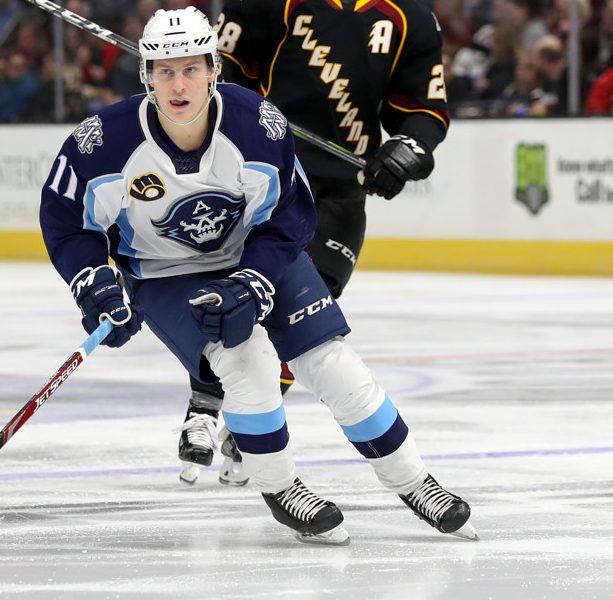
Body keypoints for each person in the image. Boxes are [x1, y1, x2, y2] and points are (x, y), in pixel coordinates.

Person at [40, 6, 476, 544]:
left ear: (213, 70)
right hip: (164, 273)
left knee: (332, 363)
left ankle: (414, 481)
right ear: (146, 75)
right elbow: (66, 220)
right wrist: (94, 281)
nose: (179, 85)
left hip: (253, 254)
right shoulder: (100, 142)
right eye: (165, 70)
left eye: (192, 69)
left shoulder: (258, 127)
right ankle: (281, 488)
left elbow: (289, 219)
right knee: (247, 361)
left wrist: (254, 279)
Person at [175, 0, 452, 485]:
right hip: (263, 176)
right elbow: (223, 72)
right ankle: (206, 399)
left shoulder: (410, 17)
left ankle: (251, 414)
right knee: (238, 296)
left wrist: (406, 150)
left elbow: (425, 111)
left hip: (339, 191)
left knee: (308, 311)